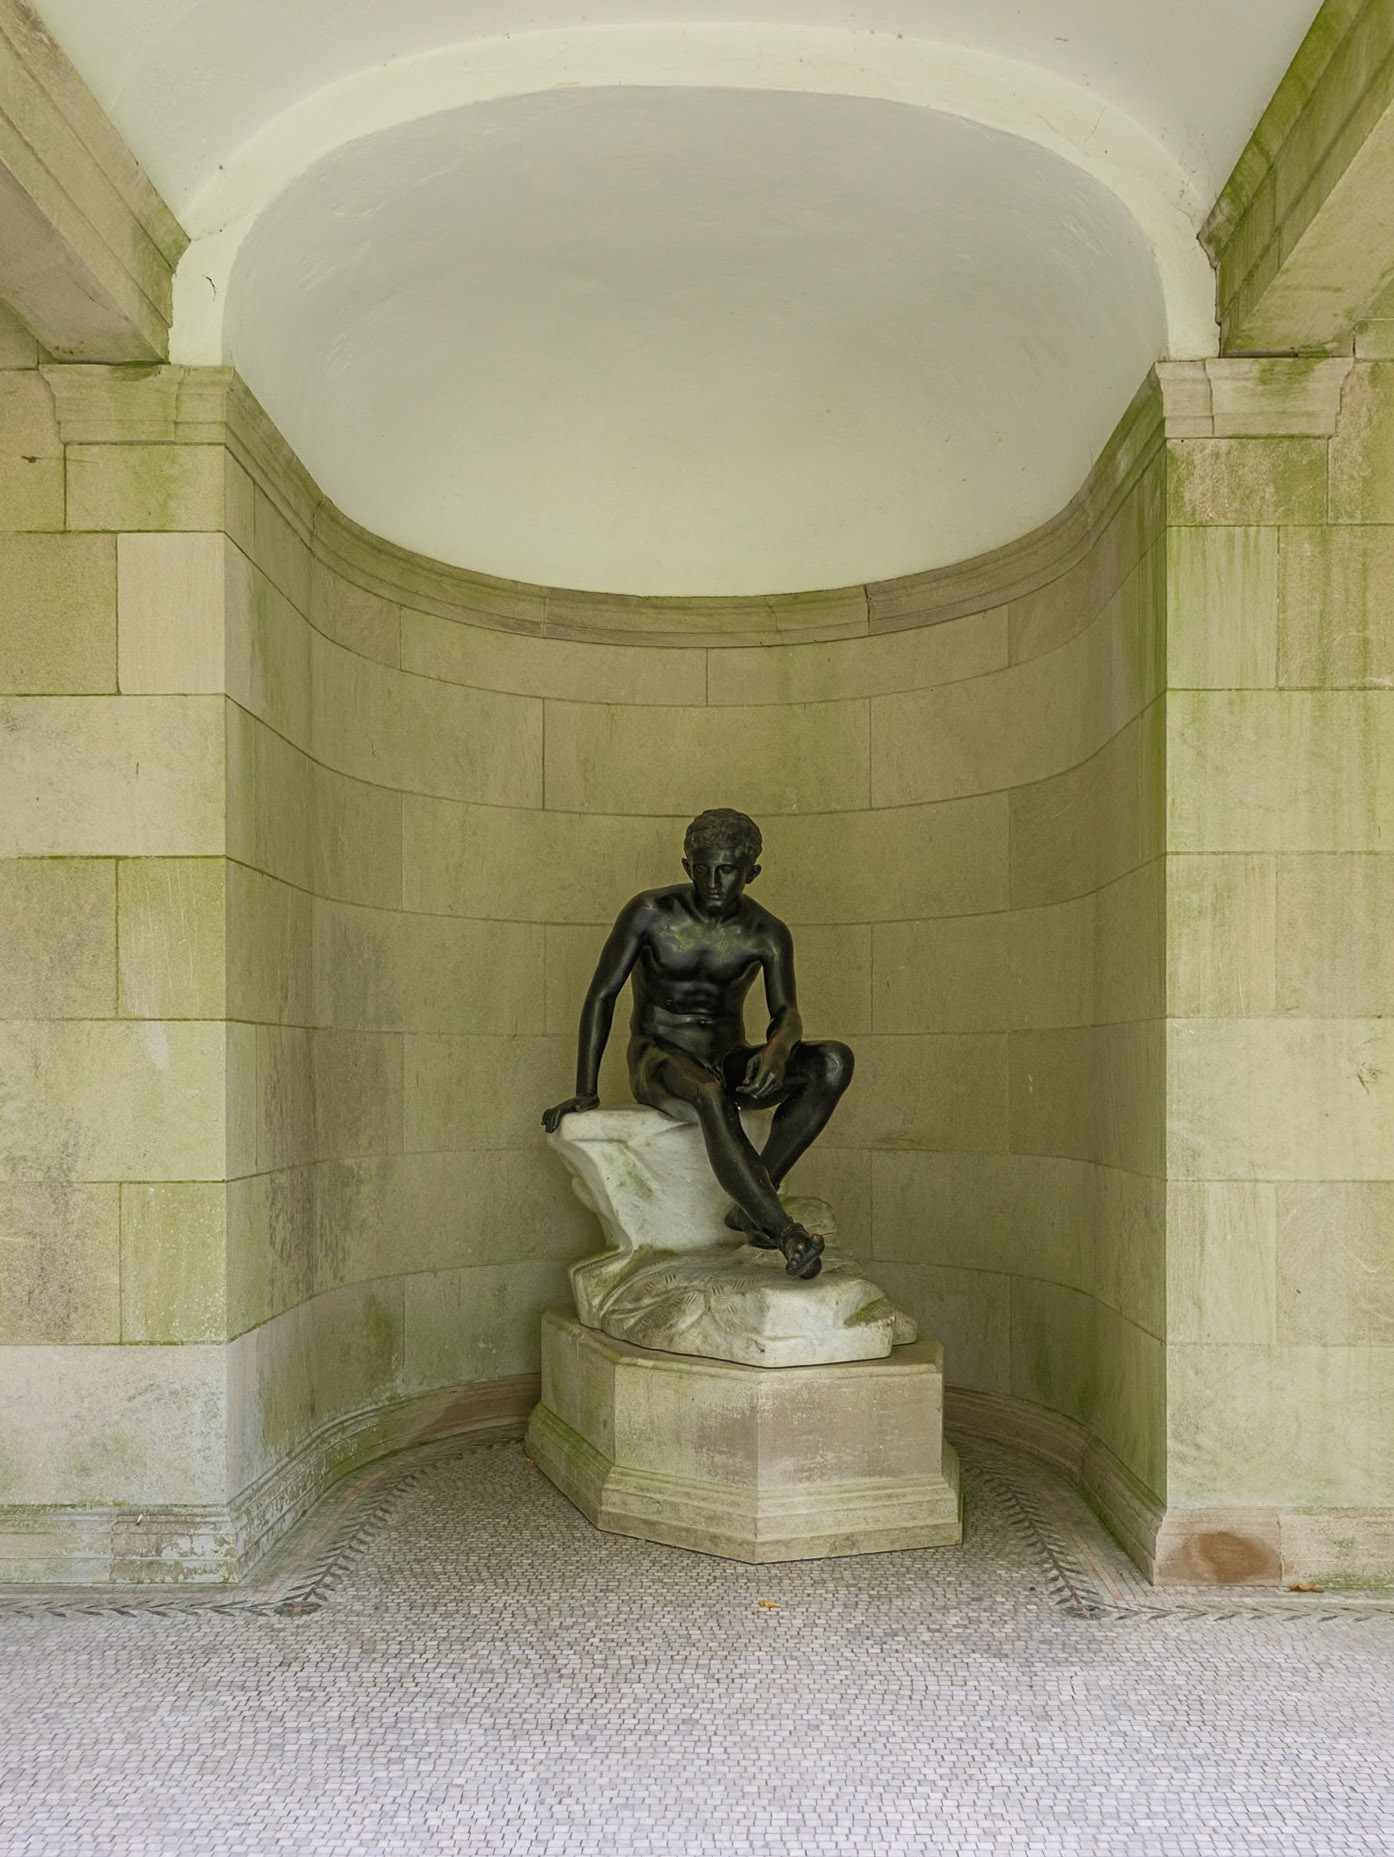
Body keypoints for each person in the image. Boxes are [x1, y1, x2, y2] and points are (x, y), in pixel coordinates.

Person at [542, 808, 853, 1279]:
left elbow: (786, 1014)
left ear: (752, 873)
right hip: (658, 1057)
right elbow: (602, 995)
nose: (713, 881)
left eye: (727, 870)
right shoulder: (650, 913)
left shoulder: (767, 932)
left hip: (727, 1056)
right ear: (687, 865)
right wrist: (586, 1088)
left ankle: (751, 1204)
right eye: (702, 868)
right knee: (707, 1091)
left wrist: (778, 1050)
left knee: (832, 1062)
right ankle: (784, 1231)